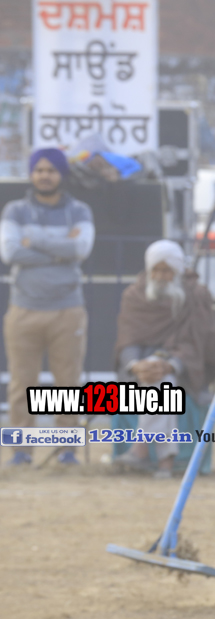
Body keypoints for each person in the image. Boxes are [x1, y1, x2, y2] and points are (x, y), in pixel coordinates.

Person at [1, 148, 94, 466]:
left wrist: (35, 240)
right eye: (39, 170)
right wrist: (60, 250)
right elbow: (10, 252)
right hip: (23, 309)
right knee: (21, 384)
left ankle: (66, 451)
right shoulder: (15, 210)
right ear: (31, 173)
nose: (44, 175)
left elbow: (81, 248)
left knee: (67, 383)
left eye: (51, 170)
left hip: (67, 310)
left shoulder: (79, 210)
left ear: (61, 174)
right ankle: (21, 451)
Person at [113, 240, 215, 478]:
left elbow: (198, 342)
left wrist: (170, 364)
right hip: (141, 368)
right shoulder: (134, 295)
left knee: (164, 382)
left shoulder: (196, 295)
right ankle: (165, 460)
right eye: (156, 270)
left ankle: (142, 449)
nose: (160, 276)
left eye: (167, 270)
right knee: (158, 382)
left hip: (184, 368)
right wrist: (135, 366)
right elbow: (127, 339)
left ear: (178, 270)